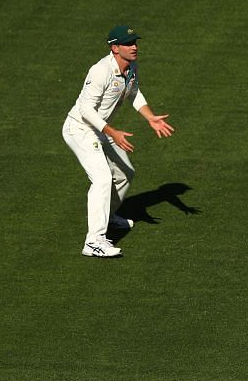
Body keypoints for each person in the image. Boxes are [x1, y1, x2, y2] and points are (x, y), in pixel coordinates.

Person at [62, 25, 174, 258]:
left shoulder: (131, 67)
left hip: (100, 129)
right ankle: (93, 242)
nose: (134, 47)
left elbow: (134, 92)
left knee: (126, 173)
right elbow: (85, 109)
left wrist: (150, 117)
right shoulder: (100, 71)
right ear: (115, 48)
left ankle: (108, 216)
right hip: (80, 129)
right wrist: (112, 132)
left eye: (135, 42)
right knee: (102, 178)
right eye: (128, 43)